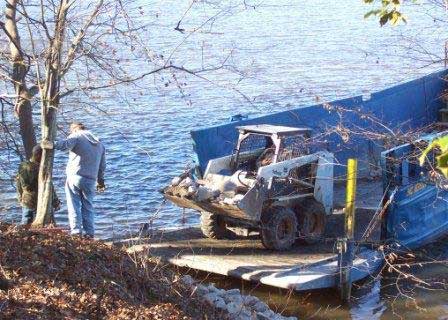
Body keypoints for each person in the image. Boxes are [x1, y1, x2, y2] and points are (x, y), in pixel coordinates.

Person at [41, 122, 106, 238]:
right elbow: (102, 166)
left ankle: (76, 232)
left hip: (75, 176)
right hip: (91, 180)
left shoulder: (76, 136)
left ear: (74, 129)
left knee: (73, 205)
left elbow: (65, 144)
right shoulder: (99, 144)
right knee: (88, 206)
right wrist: (101, 182)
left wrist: (51, 144)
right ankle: (89, 234)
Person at [16, 145, 60, 225]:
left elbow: (18, 184)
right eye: (44, 156)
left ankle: (24, 235)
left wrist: (20, 198)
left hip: (26, 200)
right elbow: (49, 187)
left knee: (25, 223)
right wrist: (56, 202)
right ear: (39, 155)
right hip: (39, 201)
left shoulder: (22, 166)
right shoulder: (41, 168)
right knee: (42, 225)